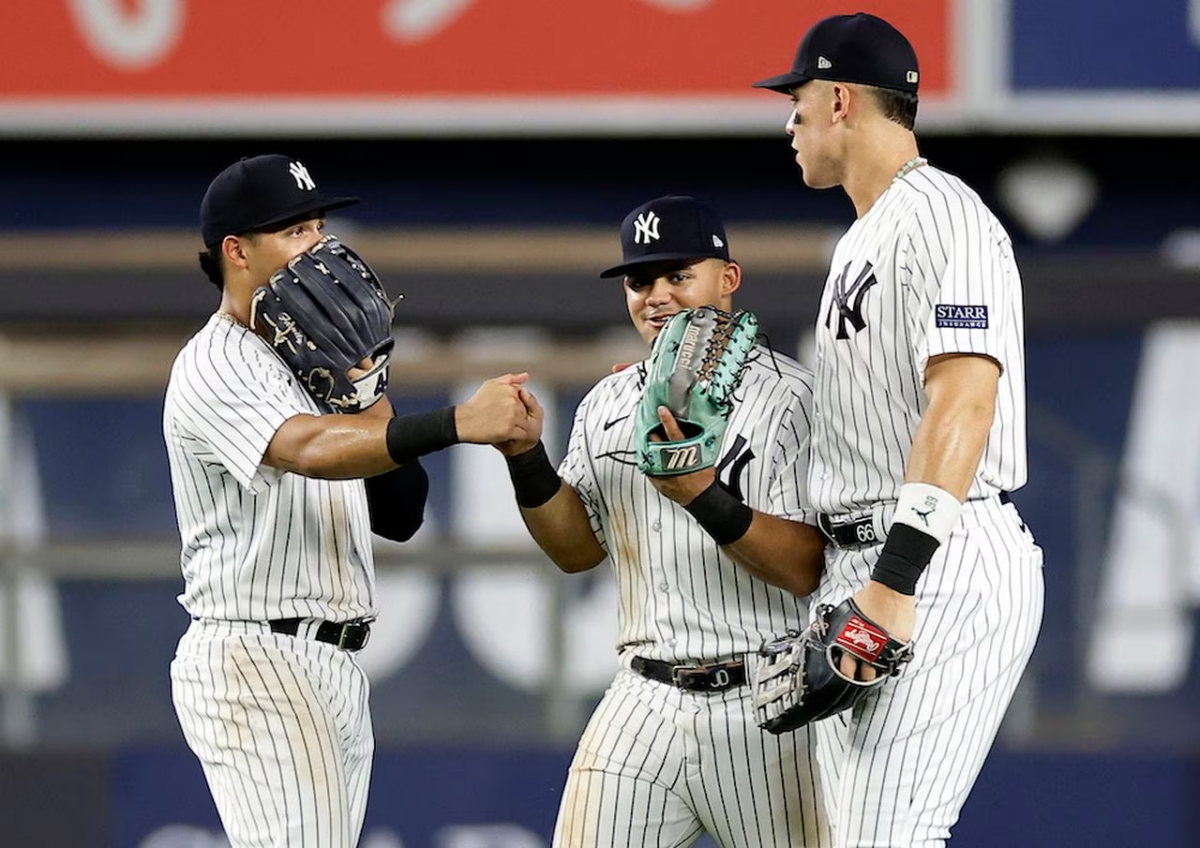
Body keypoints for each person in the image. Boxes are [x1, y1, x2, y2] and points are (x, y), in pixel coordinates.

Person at [163, 153, 535, 847]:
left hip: (326, 663)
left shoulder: (318, 358)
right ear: (236, 252)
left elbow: (401, 512)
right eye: (293, 230)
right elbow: (303, 448)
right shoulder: (215, 362)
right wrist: (457, 423)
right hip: (257, 654)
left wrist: (365, 388)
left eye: (318, 225)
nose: (319, 246)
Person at [752, 12, 1046, 847]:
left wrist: (893, 582)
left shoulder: (945, 216)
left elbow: (965, 401)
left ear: (840, 99)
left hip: (936, 562)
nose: (789, 119)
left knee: (888, 836)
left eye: (798, 97)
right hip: (866, 561)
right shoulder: (863, 237)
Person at [497, 195, 831, 848]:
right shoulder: (609, 401)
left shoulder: (792, 399)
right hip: (643, 696)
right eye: (639, 279)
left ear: (727, 279)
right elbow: (576, 553)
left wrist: (704, 496)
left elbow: (807, 566)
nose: (656, 295)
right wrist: (525, 457)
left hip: (771, 699)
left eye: (679, 275)